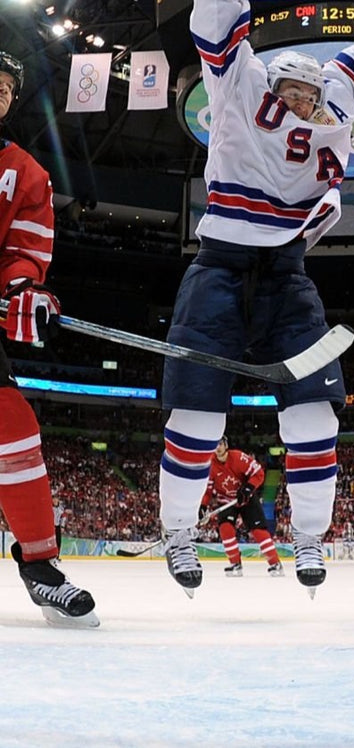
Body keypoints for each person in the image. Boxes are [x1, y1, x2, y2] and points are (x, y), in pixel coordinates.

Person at [158, 0, 354, 597]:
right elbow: (218, 24)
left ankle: (311, 538)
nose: (304, 101)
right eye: (293, 91)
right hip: (220, 264)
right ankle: (176, 532)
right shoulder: (240, 84)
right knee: (197, 413)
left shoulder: (337, 97)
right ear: (271, 84)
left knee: (313, 411)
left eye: (310, 93)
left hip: (288, 275)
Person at [0, 50, 98, 627]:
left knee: (14, 431)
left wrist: (20, 293)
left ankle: (40, 569)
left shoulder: (24, 172)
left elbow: (23, 254)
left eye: (6, 89)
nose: (0, 95)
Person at [201, 436, 283, 577]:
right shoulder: (210, 465)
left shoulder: (238, 457)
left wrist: (248, 488)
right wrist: (202, 506)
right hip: (226, 501)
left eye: (220, 443)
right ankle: (235, 564)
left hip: (247, 499)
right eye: (215, 444)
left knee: (258, 531)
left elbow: (259, 473)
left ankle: (275, 564)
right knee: (225, 530)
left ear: (226, 445)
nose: (218, 447)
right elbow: (207, 491)